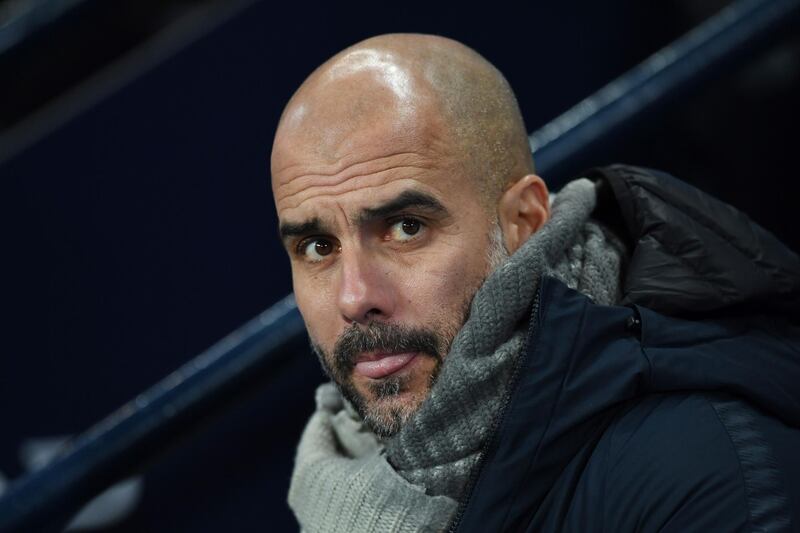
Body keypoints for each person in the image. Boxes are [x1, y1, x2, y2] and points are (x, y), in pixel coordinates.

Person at [270, 33, 800, 532]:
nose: (356, 297)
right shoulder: (338, 469)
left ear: (524, 222)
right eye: (318, 248)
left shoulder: (706, 477)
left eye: (407, 228)